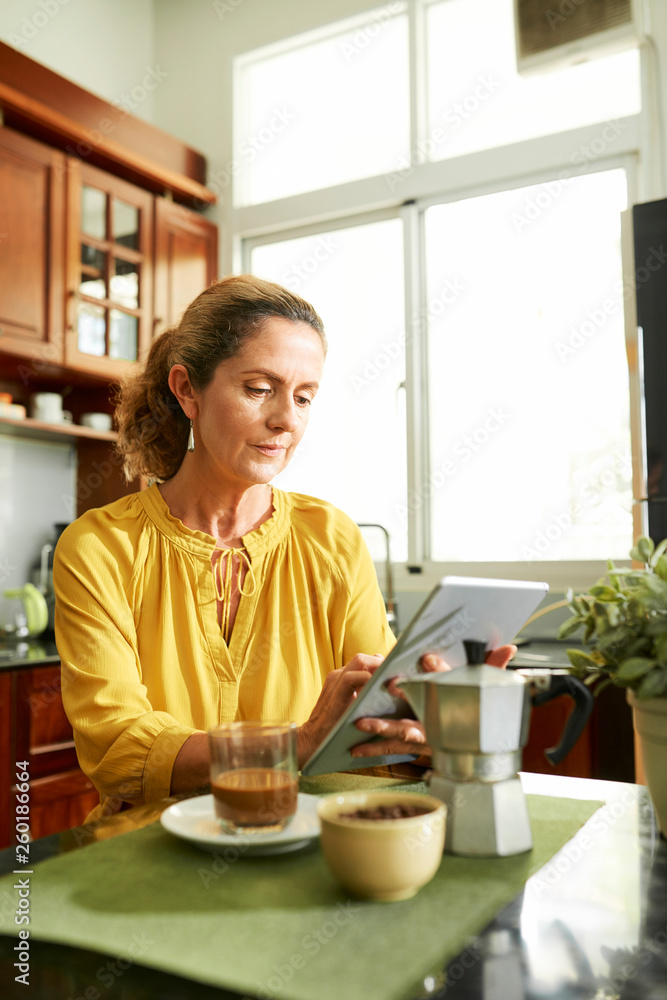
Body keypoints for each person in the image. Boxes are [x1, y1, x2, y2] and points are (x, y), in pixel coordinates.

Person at [54, 274, 514, 829]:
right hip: (147, 853)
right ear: (187, 390)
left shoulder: (333, 538)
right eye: (258, 389)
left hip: (307, 847)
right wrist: (295, 745)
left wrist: (437, 719)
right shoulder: (99, 548)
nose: (286, 420)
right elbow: (118, 746)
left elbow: (376, 724)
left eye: (303, 397)